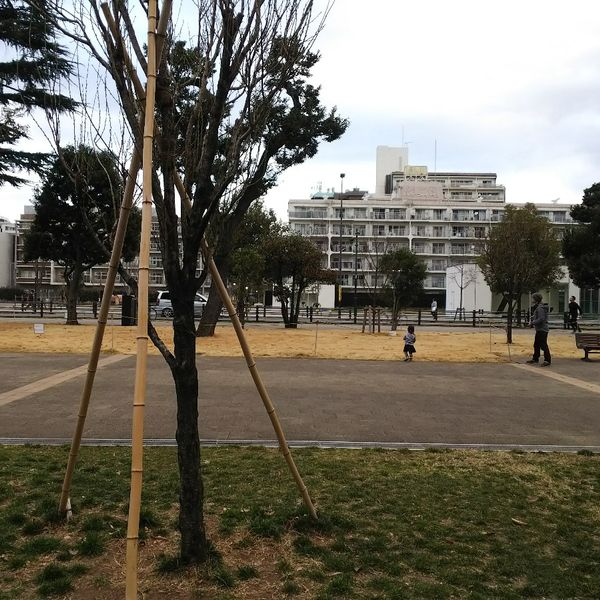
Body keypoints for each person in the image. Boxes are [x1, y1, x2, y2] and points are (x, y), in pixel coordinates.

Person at [527, 292, 551, 367]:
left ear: (536, 299)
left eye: (533, 298)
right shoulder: (539, 307)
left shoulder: (540, 308)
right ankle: (535, 358)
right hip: (540, 329)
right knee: (536, 344)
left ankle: (547, 360)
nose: (532, 299)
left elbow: (541, 318)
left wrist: (532, 323)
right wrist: (533, 317)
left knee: (543, 345)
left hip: (542, 329)